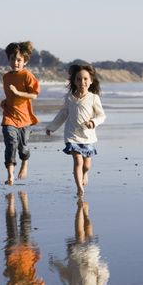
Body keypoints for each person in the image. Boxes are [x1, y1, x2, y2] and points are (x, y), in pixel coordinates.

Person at [46, 63, 106, 196]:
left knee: (86, 165)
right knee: (78, 161)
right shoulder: (69, 98)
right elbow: (63, 114)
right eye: (78, 79)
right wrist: (52, 127)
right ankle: (79, 188)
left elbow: (101, 116)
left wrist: (93, 122)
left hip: (87, 136)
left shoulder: (93, 98)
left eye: (85, 79)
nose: (82, 82)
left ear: (90, 81)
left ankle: (85, 174)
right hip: (72, 135)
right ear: (74, 81)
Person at [49, 199, 110, 285]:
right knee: (88, 231)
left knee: (80, 234)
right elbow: (103, 274)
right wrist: (97, 266)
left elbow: (66, 274)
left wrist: (56, 264)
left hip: (76, 257)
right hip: (90, 257)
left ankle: (80, 208)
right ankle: (85, 213)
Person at [1, 41, 40, 185]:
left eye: (19, 60)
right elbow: (10, 96)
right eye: (12, 59)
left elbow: (34, 95)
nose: (15, 63)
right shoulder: (6, 77)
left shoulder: (27, 75)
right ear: (8, 59)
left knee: (23, 148)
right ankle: (10, 176)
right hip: (9, 116)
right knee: (10, 144)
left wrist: (17, 92)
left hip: (24, 118)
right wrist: (4, 102)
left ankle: (25, 163)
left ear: (25, 61)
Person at [3, 191, 45, 285]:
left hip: (14, 258)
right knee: (26, 229)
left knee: (12, 230)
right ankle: (24, 203)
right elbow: (41, 284)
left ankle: (11, 203)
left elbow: (9, 283)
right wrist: (35, 283)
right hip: (28, 258)